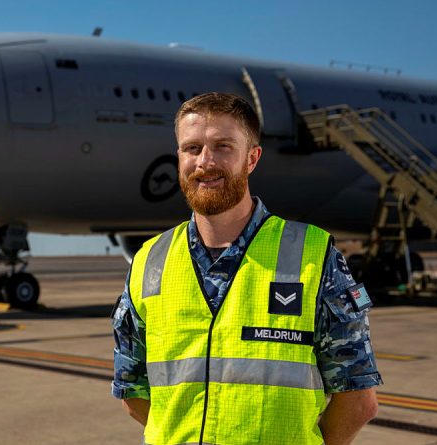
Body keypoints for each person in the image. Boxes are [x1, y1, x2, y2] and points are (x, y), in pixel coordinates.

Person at [111, 92, 382, 445]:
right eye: (192, 148)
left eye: (223, 146)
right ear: (179, 156)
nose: (205, 162)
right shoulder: (150, 261)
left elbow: (358, 400)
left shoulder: (312, 256)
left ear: (252, 158)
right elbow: (132, 391)